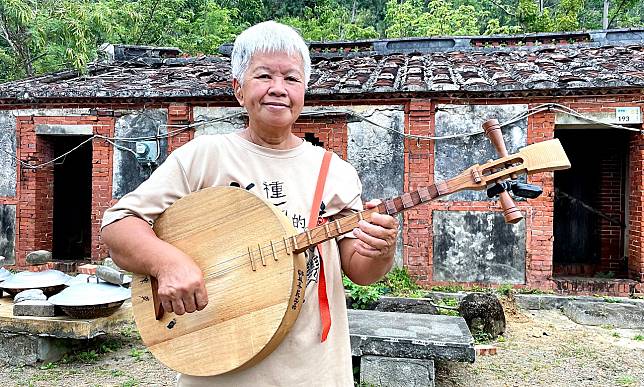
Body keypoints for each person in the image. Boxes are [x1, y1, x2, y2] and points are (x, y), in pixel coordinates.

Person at [101, 21, 398, 386]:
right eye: (263, 76)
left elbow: (360, 270)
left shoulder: (333, 171)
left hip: (314, 372)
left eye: (291, 78)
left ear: (305, 90)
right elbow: (118, 226)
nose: (278, 89)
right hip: (218, 368)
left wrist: (381, 250)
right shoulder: (204, 157)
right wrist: (168, 263)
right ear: (239, 89)